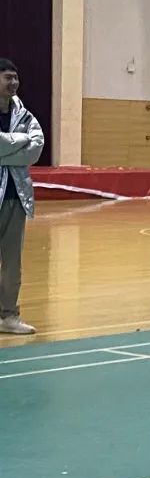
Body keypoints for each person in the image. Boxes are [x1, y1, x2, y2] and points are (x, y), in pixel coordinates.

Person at [0, 59, 44, 334]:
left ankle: (8, 316)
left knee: (12, 263)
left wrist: (7, 149)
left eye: (15, 77)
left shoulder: (25, 117)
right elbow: (22, 146)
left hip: (16, 199)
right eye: (8, 77)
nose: (13, 83)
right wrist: (20, 141)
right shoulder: (23, 126)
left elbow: (35, 150)